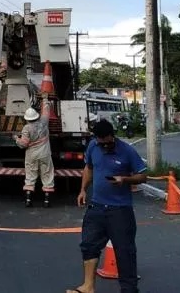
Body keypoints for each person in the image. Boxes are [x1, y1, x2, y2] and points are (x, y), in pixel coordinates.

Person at [68, 119, 147, 293]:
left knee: (124, 251)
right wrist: (83, 190)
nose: (104, 146)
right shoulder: (93, 147)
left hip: (120, 210)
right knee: (88, 245)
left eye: (107, 142)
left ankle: (129, 290)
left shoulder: (127, 151)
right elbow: (89, 168)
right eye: (100, 143)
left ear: (113, 136)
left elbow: (143, 176)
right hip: (96, 207)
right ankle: (88, 286)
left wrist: (125, 179)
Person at [14, 97, 54, 208]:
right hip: (45, 154)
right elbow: (46, 111)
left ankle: (28, 200)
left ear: (27, 119)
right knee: (47, 175)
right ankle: (47, 201)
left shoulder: (27, 128)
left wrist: (16, 138)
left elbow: (23, 144)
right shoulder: (44, 122)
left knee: (31, 176)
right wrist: (45, 100)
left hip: (32, 155)